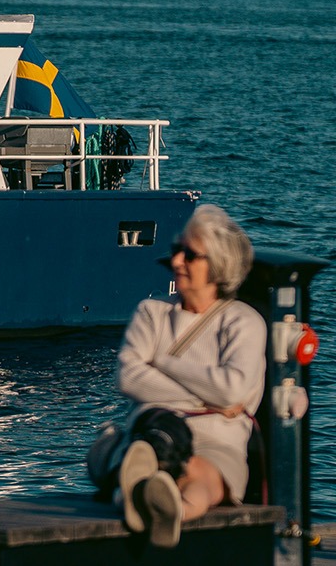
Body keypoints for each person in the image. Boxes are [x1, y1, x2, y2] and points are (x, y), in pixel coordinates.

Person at [96, 204, 265, 547]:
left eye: (190, 255)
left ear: (218, 265)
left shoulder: (243, 322)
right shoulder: (152, 313)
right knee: (145, 457)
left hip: (217, 441)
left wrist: (162, 362)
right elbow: (128, 377)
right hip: (155, 429)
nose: (176, 262)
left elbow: (233, 390)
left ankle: (170, 511)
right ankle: (149, 498)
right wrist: (209, 399)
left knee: (202, 475)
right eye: (177, 251)